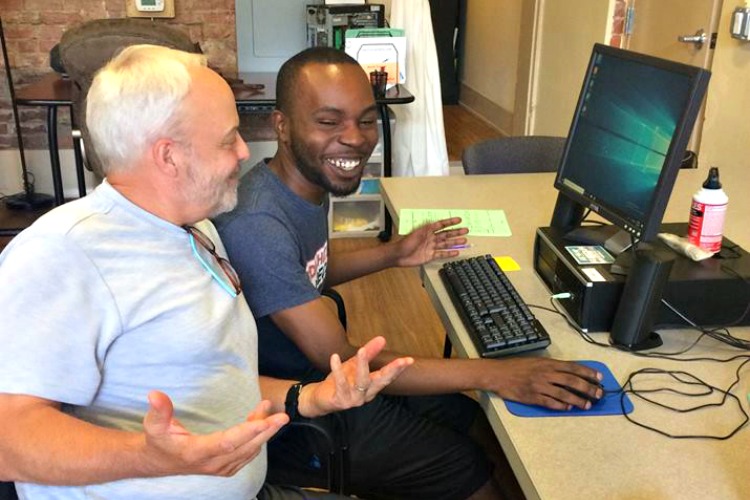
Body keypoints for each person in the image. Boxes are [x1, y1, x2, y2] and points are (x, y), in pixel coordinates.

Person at [0, 44, 413, 499]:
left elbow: (210, 378)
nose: (242, 152)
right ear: (168, 155)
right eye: (227, 139)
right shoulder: (63, 253)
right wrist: (147, 457)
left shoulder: (196, 228)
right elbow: (9, 440)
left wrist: (310, 397)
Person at [214, 47, 605, 499]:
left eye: (365, 120)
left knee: (471, 419)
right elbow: (337, 357)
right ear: (282, 126)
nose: (356, 138)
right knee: (466, 463)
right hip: (299, 418)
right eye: (329, 121)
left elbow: (305, 272)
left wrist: (394, 253)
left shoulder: (293, 185)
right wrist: (493, 373)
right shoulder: (258, 224)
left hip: (327, 385)